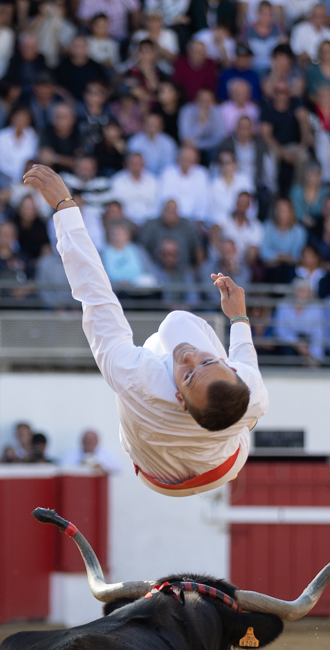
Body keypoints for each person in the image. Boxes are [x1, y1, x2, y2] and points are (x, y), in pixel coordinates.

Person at [24, 163, 268, 497]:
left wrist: (65, 208)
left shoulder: (136, 377)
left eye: (188, 374)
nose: (189, 356)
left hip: (156, 470)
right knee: (177, 327)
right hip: (224, 456)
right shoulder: (252, 393)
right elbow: (246, 361)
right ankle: (232, 419)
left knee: (169, 331)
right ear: (230, 368)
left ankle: (225, 415)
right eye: (208, 362)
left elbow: (95, 294)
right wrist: (239, 319)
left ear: (180, 399)